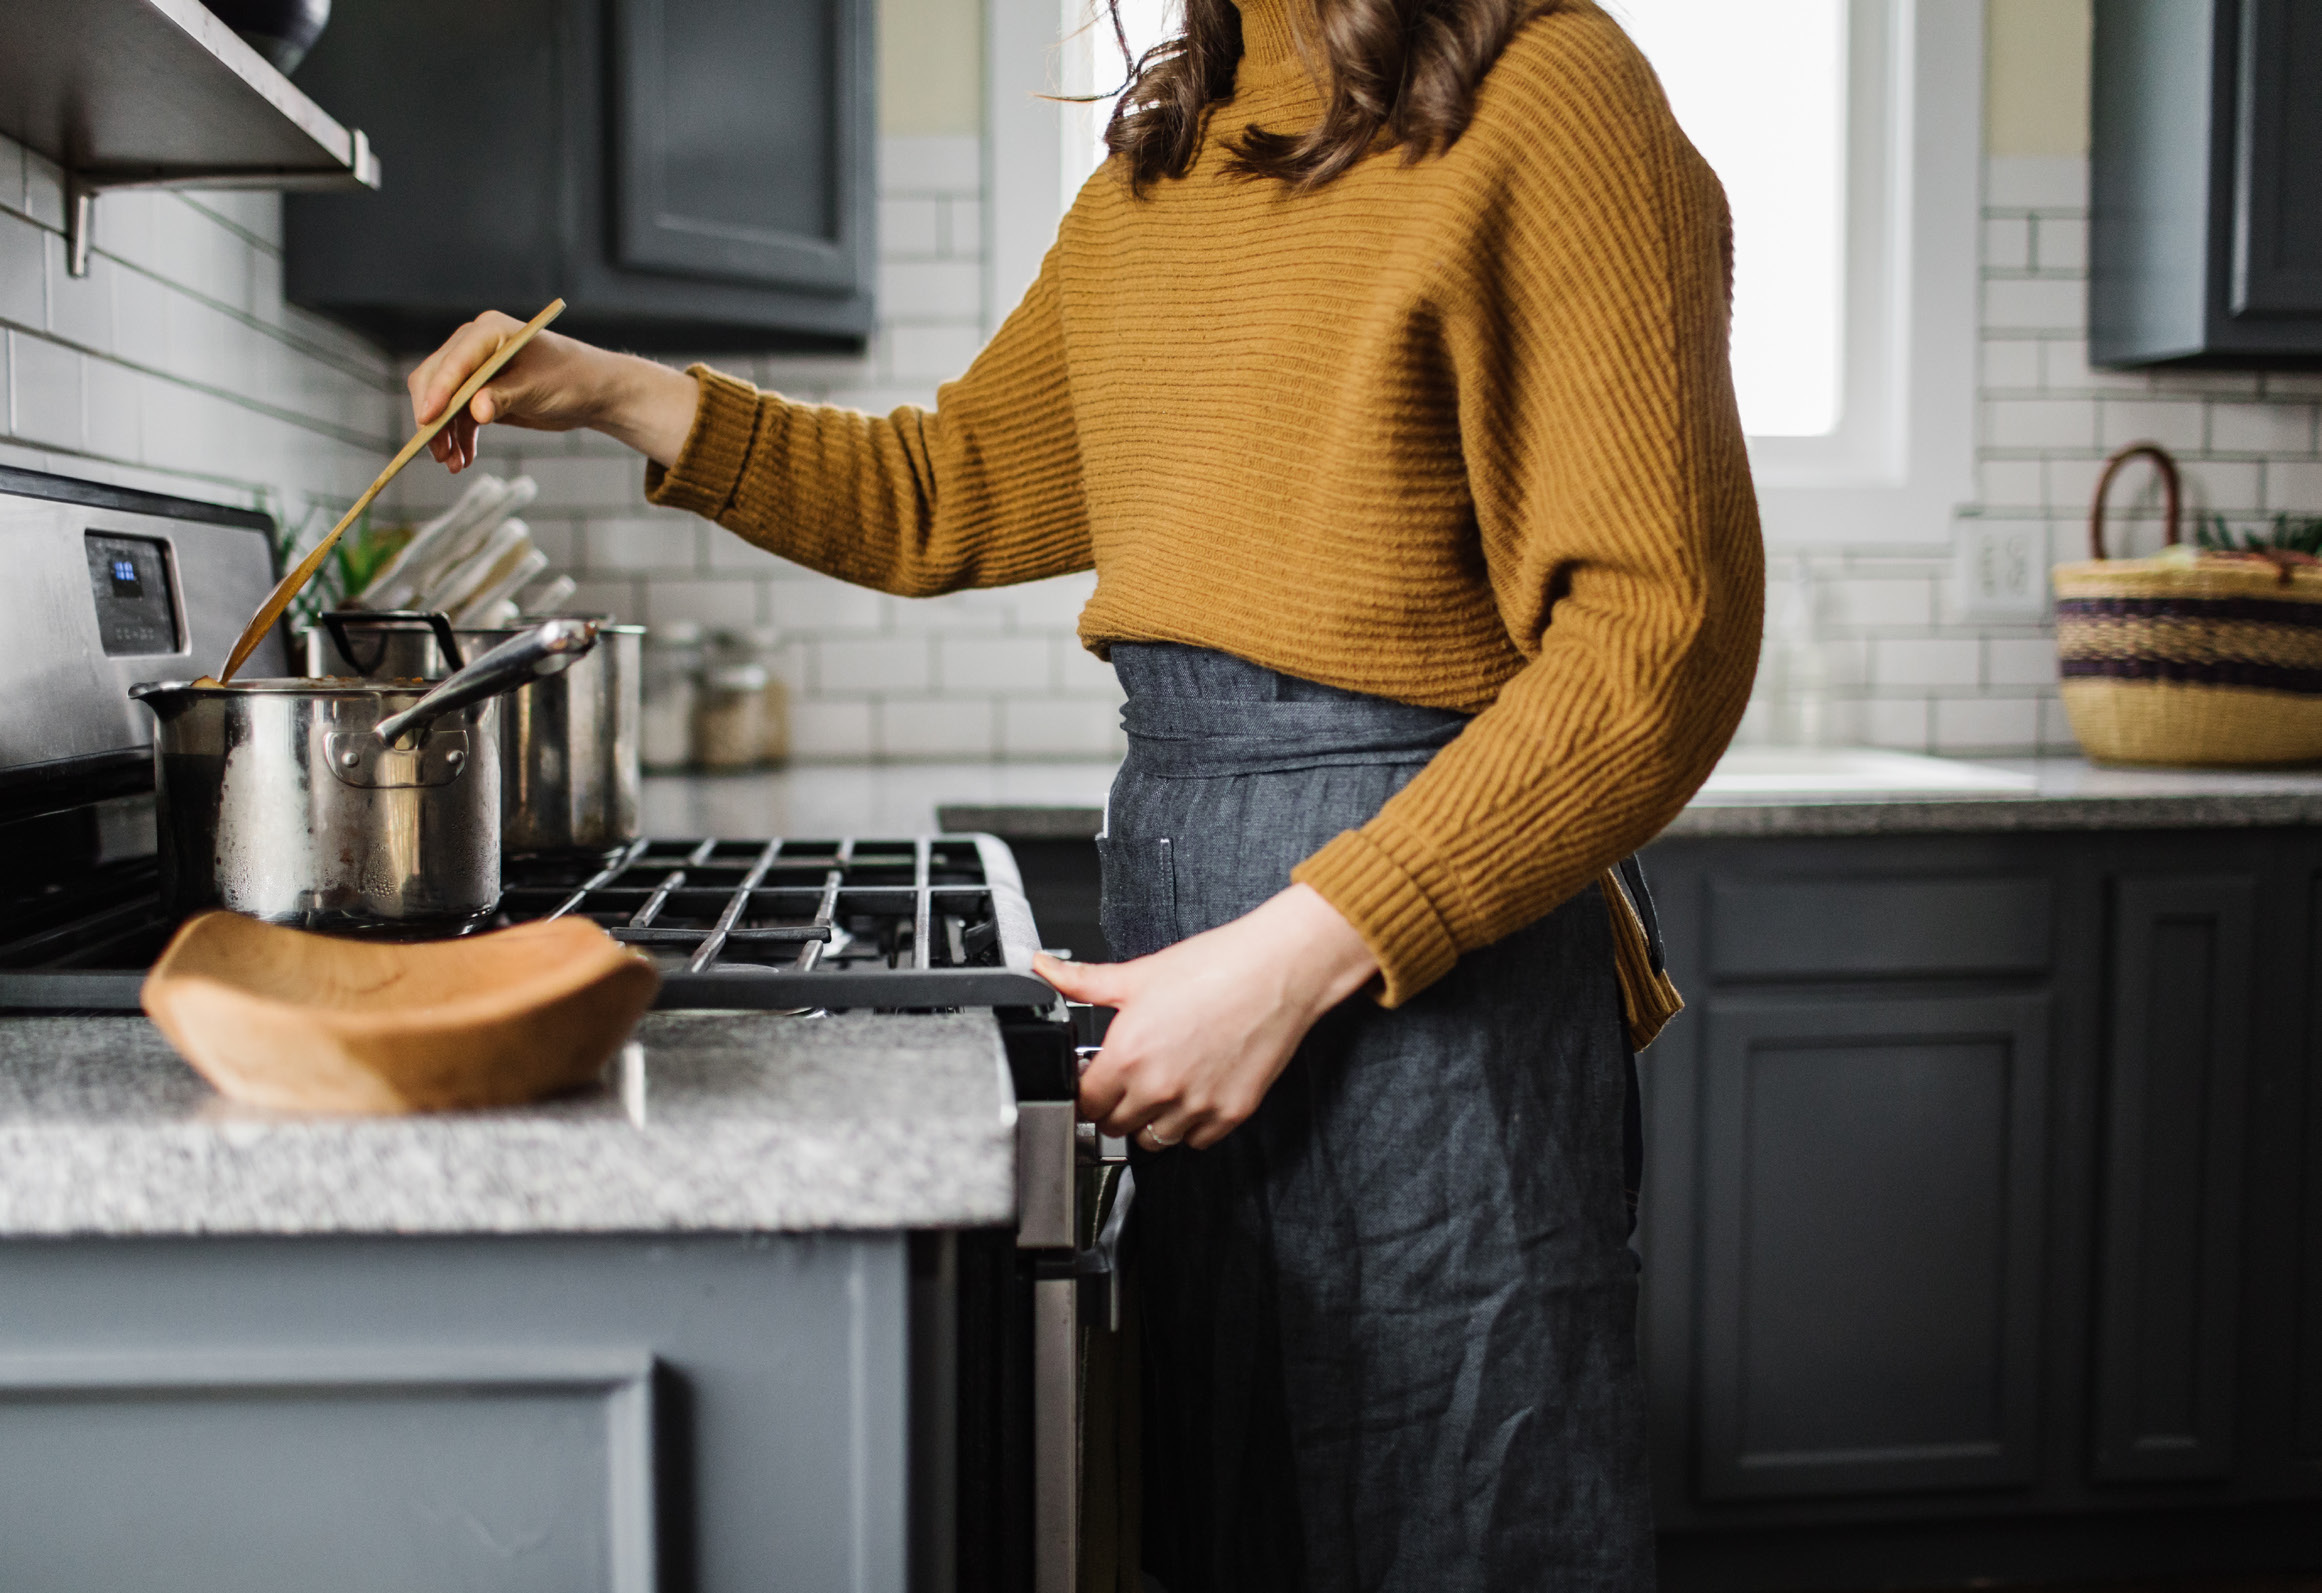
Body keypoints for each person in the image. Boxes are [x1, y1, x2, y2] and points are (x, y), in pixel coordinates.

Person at [407, 0, 1762, 1580]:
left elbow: (1655, 642)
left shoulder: (1553, 97)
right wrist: (627, 391)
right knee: (1225, 1504)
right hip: (1186, 890)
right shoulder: (1160, 169)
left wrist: (1288, 954)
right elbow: (944, 492)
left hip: (1422, 962)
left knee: (1458, 1519)